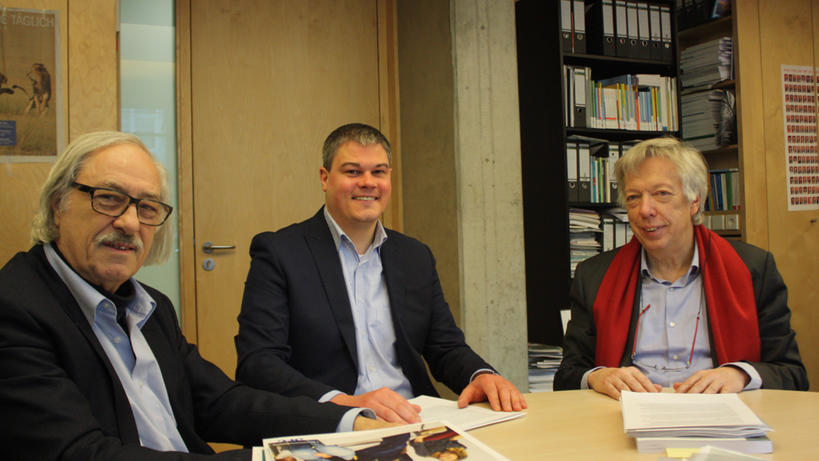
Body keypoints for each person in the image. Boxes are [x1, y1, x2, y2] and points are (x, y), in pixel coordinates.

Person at [0, 131, 381, 461]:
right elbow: (81, 454)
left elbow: (218, 402)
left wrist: (347, 421)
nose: (130, 223)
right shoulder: (16, 308)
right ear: (58, 204)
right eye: (108, 199)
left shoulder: (150, 307)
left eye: (147, 207)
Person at [235, 123, 526, 423]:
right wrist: (343, 403)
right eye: (352, 172)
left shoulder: (415, 256)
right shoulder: (280, 253)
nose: (367, 182)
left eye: (379, 172)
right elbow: (258, 362)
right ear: (324, 178)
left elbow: (445, 346)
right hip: (332, 424)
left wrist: (480, 375)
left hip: (414, 418)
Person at [554, 137, 809, 400]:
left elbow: (792, 375)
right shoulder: (594, 276)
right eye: (633, 197)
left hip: (722, 419)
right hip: (624, 418)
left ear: (694, 201)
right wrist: (597, 376)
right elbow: (567, 376)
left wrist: (740, 374)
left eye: (662, 194)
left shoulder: (753, 268)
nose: (645, 209)